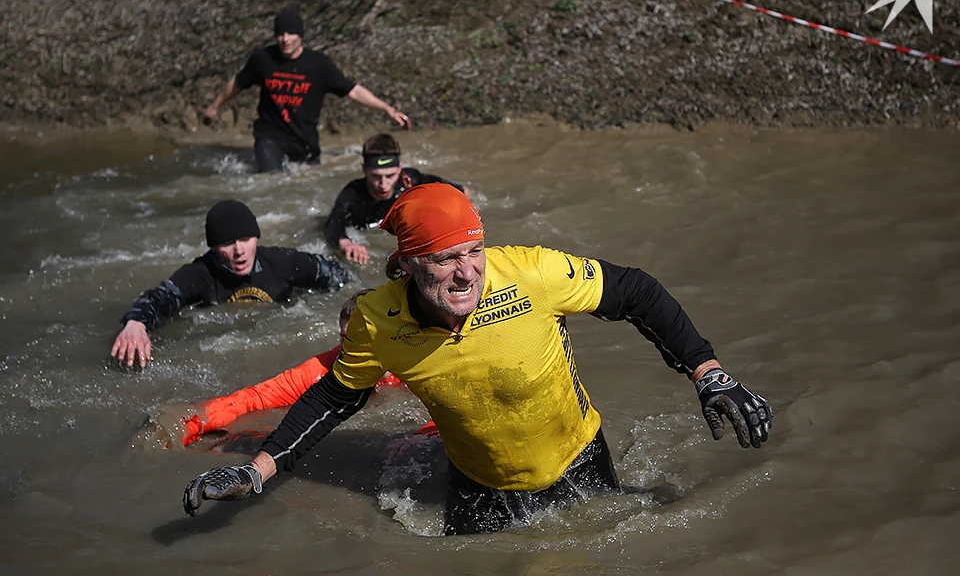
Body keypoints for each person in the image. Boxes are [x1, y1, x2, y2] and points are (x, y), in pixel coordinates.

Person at [183, 184, 772, 535]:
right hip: (477, 486)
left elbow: (636, 291)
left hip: (576, 461)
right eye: (445, 259)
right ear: (410, 264)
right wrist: (257, 471)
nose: (467, 272)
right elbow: (334, 397)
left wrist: (708, 374)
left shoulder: (533, 273)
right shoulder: (377, 320)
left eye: (474, 251)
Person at [180, 289, 437, 447]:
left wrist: (420, 437)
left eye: (362, 338)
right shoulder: (323, 369)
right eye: (345, 338)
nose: (351, 348)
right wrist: (188, 426)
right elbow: (252, 398)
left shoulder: (414, 361)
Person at [111, 200, 351, 368]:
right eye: (227, 244)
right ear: (213, 248)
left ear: (256, 237)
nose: (239, 251)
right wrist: (136, 323)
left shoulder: (282, 262)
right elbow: (161, 296)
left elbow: (340, 275)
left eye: (245, 240)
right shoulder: (200, 273)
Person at [202, 5, 412, 172]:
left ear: (300, 35)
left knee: (307, 181)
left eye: (291, 33)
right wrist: (215, 106)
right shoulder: (263, 58)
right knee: (272, 181)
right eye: (280, 34)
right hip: (270, 135)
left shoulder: (318, 64)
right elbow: (239, 83)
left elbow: (353, 90)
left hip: (304, 138)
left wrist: (387, 109)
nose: (285, 39)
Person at [323, 133, 466, 265]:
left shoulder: (410, 181)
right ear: (364, 170)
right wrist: (346, 243)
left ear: (399, 168)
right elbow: (334, 221)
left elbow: (458, 191)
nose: (383, 185)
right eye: (376, 176)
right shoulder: (353, 193)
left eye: (390, 176)